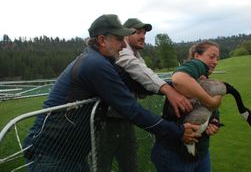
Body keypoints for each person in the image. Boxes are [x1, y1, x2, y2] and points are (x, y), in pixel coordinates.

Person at [22, 14, 199, 172]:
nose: (124, 44)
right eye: (119, 39)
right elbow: (130, 109)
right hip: (52, 155)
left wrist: (179, 86)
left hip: (71, 154)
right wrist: (176, 131)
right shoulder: (95, 65)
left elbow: (136, 84)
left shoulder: (104, 62)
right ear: (101, 40)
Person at [96, 18, 193, 172]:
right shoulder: (122, 52)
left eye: (144, 33)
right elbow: (139, 71)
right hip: (106, 120)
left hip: (124, 118)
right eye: (137, 32)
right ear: (126, 35)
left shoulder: (136, 55)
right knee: (103, 163)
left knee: (129, 160)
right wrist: (169, 89)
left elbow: (142, 82)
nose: (142, 36)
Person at [151, 41, 223, 172]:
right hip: (175, 155)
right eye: (211, 56)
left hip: (201, 152)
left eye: (217, 58)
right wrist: (210, 102)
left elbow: (212, 111)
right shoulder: (190, 71)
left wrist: (214, 122)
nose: (216, 61)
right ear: (197, 56)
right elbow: (179, 78)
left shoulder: (205, 80)